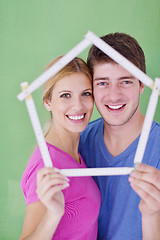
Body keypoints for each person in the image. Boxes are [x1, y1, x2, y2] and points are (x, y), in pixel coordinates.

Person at [79, 33, 160, 240]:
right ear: (92, 89)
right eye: (103, 83)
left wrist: (153, 215)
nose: (114, 95)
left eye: (125, 82)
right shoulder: (79, 143)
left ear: (142, 85)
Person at [19, 56, 101, 240]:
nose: (78, 106)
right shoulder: (47, 165)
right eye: (65, 95)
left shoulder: (77, 152)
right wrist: (53, 214)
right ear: (48, 102)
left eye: (86, 93)